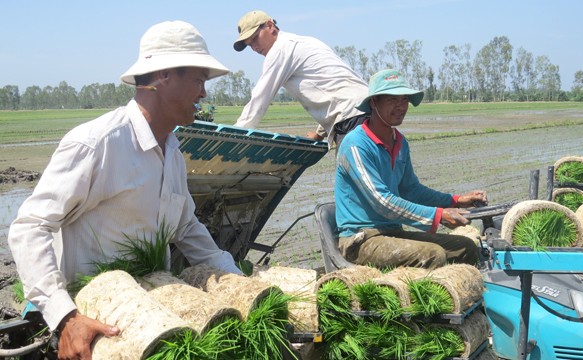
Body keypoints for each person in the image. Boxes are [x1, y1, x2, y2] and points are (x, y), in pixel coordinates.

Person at [8, 20, 243, 359]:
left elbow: (187, 228)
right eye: (198, 80)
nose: (204, 93)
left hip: (149, 316)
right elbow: (30, 226)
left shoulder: (173, 151)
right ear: (162, 76)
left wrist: (238, 282)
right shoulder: (97, 144)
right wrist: (66, 318)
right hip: (95, 323)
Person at [335, 69, 487, 270]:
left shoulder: (399, 142)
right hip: (362, 239)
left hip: (392, 232)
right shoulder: (355, 145)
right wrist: (438, 216)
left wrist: (456, 200)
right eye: (392, 100)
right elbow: (382, 202)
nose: (400, 107)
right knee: (432, 255)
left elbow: (411, 190)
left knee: (466, 247)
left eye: (404, 99)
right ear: (373, 103)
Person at [232, 10, 368, 149]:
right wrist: (320, 133)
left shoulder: (280, 49)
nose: (254, 47)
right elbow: (333, 87)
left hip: (353, 119)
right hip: (368, 109)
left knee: (357, 169)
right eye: (249, 45)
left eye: (255, 38)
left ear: (270, 26)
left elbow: (260, 97)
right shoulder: (304, 41)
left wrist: (234, 135)